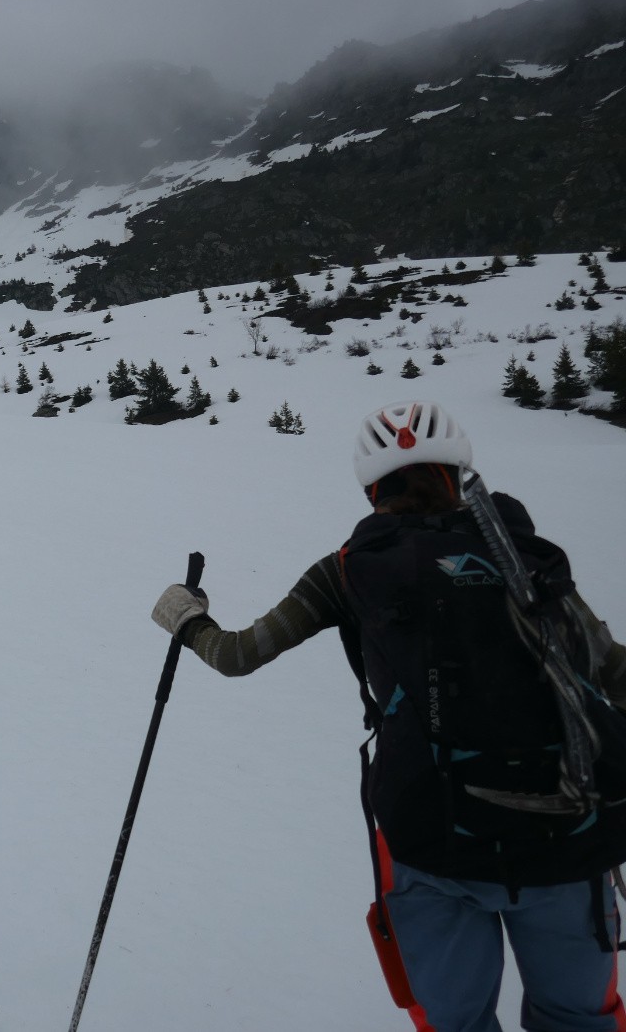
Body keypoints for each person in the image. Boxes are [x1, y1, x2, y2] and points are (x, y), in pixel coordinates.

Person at [150, 400, 626, 1032]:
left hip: (428, 840)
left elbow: (239, 655)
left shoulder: (348, 569)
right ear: (458, 474)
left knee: (454, 1023)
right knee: (578, 1021)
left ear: (373, 487)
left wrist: (186, 618)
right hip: (568, 842)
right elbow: (610, 672)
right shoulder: (526, 557)